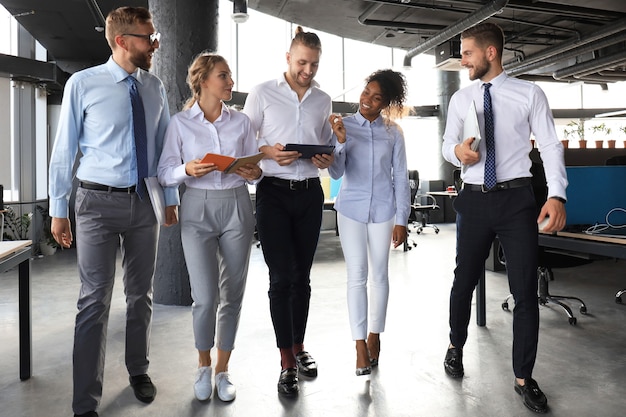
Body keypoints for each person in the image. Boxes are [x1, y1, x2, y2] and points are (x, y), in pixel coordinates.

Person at [48, 7, 178, 417]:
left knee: (141, 296)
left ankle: (138, 369)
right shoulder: (83, 84)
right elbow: (64, 149)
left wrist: (170, 199)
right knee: (94, 301)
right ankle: (85, 401)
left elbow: (164, 149)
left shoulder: (155, 87)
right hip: (95, 204)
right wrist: (58, 209)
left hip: (144, 203)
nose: (155, 44)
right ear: (122, 41)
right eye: (148, 37)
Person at [441, 22, 567, 414]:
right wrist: (457, 154)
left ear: (490, 53)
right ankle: (455, 345)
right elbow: (448, 144)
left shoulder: (529, 93)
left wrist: (557, 194)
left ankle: (523, 377)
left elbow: (549, 144)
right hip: (474, 199)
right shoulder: (462, 99)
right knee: (464, 281)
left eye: (467, 53)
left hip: (517, 201)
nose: (463, 60)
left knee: (525, 290)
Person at [157, 52, 262, 402]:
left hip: (236, 204)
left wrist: (252, 171)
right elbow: (165, 171)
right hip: (197, 207)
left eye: (230, 76)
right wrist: (187, 170)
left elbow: (254, 168)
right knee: (204, 298)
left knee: (232, 296)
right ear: (203, 81)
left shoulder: (242, 122)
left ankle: (222, 370)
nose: (230, 82)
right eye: (224, 76)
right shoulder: (180, 123)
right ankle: (202, 366)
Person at [242, 26, 333, 396]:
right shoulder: (262, 93)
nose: (307, 71)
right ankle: (285, 362)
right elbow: (244, 139)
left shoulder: (323, 100)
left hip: (310, 192)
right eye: (301, 63)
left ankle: (299, 346)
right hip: (273, 193)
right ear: (287, 58)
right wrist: (268, 152)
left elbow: (325, 147)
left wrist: (327, 156)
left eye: (313, 64)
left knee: (303, 277)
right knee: (281, 278)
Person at [328, 70, 410, 376]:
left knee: (380, 275)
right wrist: (339, 142)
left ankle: (375, 334)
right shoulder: (344, 126)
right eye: (366, 93)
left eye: (377, 97)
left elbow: (400, 177)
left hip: (384, 210)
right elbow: (336, 173)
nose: (368, 100)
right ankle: (359, 344)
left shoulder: (394, 132)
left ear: (386, 102)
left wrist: (402, 219)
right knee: (356, 276)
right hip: (350, 209)